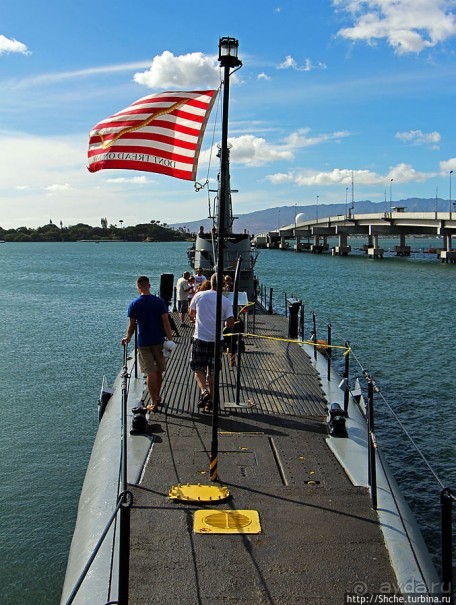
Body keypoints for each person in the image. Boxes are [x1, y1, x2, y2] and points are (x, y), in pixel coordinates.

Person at [121, 276, 173, 412]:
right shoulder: (160, 302)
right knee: (159, 370)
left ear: (138, 287)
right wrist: (170, 339)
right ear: (149, 285)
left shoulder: (134, 304)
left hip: (144, 343)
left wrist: (128, 337)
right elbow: (166, 322)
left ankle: (154, 402)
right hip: (159, 341)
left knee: (149, 373)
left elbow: (132, 325)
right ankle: (157, 396)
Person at [189, 274, 234, 413]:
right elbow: (230, 322)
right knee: (213, 372)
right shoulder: (225, 301)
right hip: (216, 340)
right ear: (222, 285)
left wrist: (198, 318)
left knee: (198, 368)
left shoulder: (199, 295)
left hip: (200, 338)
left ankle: (204, 391)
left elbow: (191, 313)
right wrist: (224, 322)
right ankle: (212, 402)